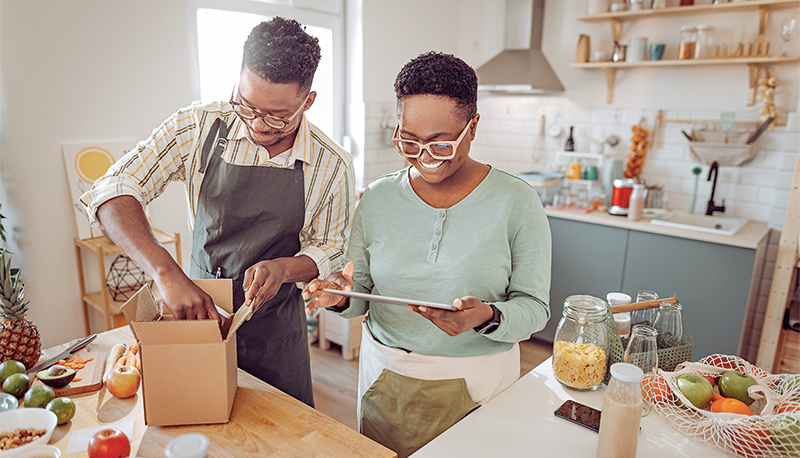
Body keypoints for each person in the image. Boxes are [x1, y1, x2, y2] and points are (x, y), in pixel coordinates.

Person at [80, 17, 355, 407]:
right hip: (198, 320)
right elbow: (113, 189)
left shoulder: (331, 164)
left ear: (307, 102)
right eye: (246, 104)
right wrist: (165, 273)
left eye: (277, 116)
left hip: (277, 336)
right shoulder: (198, 126)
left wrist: (283, 269)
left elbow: (331, 248)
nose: (258, 125)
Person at [303, 51, 551, 456]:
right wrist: (338, 297)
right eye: (409, 140)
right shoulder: (378, 198)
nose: (424, 157)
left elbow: (535, 308)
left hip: (479, 383)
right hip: (386, 379)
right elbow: (358, 291)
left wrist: (486, 316)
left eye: (441, 144)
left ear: (473, 127)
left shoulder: (516, 202)